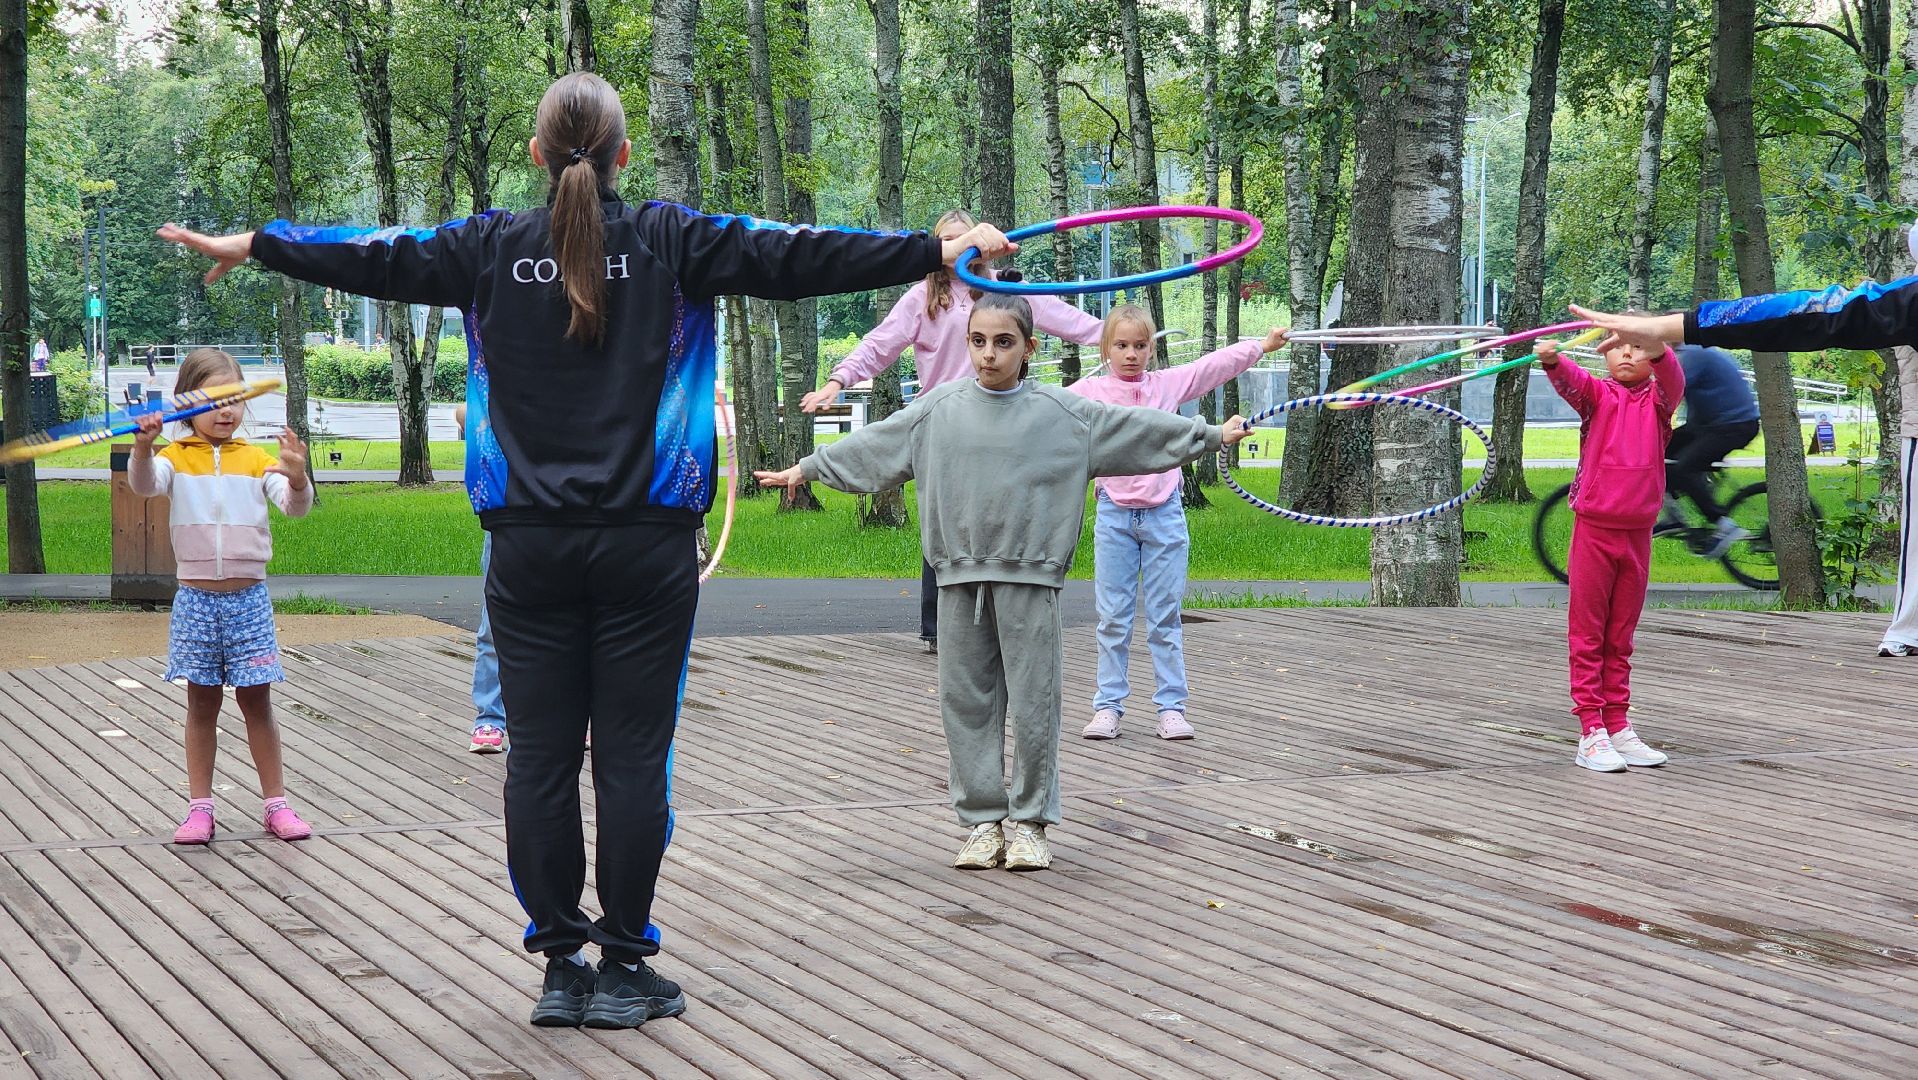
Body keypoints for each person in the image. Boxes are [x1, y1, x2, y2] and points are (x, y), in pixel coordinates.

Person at [159, 71, 1017, 1029]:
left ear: (538, 156)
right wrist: (937, 248)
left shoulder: (488, 247)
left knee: (538, 760)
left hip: (526, 551)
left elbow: (376, 254)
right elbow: (801, 256)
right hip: (646, 550)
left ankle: (563, 968)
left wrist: (255, 243)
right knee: (632, 763)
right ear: (623, 155)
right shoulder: (671, 240)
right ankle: (623, 965)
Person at [757, 293, 1251, 871]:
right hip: (958, 577)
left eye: (1004, 342)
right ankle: (982, 822)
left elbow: (1141, 431)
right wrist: (809, 469)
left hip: (1031, 579)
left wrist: (1211, 435)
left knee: (1035, 704)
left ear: (1029, 347)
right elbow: (876, 446)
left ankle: (1032, 822)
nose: (989, 355)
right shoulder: (937, 409)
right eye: (978, 341)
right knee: (964, 703)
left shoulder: (1066, 415)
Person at [1571, 236, 1918, 657]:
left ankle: (1722, 522)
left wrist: (1668, 328)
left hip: (1733, 424)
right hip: (1717, 421)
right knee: (1674, 454)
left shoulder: (1686, 357)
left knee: (1678, 465)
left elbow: (1818, 313)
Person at [798, 208, 1104, 654]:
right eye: (951, 240)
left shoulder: (1004, 291)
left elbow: (1064, 317)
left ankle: (1008, 617)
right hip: (945, 422)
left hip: (1003, 422)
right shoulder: (923, 297)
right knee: (946, 519)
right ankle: (940, 627)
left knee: (1005, 514)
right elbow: (879, 344)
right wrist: (837, 380)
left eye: (969, 239)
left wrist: (1116, 340)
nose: (961, 248)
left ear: (984, 242)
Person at [1066, 305, 1288, 741]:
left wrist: (1260, 346)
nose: (1131, 354)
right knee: (1113, 618)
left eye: (1140, 345)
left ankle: (1171, 707)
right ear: (1105, 347)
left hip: (1164, 513)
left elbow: (1212, 367)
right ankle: (1108, 706)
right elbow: (1040, 410)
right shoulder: (1088, 392)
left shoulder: (1165, 385)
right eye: (1121, 345)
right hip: (1114, 515)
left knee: (1165, 617)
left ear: (1152, 347)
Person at [127, 348, 315, 842]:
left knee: (258, 703)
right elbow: (145, 486)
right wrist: (143, 448)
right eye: (214, 400)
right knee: (201, 705)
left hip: (249, 600)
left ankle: (276, 805)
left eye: (235, 399)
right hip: (195, 601)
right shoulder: (174, 458)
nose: (227, 410)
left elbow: (294, 509)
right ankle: (200, 809)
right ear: (185, 403)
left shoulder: (255, 459)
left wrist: (297, 476)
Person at [1534, 335, 1682, 772]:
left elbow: (1674, 378)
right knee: (1589, 632)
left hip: (1637, 534)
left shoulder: (1659, 403)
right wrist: (1553, 361)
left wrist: (1659, 346)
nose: (1628, 354)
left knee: (1621, 635)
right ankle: (1590, 731)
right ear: (1604, 354)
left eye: (1639, 348)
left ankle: (1618, 724)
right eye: (1618, 347)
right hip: (1594, 530)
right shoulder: (1598, 396)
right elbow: (1573, 384)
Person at [1661, 345, 1760, 557]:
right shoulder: (1691, 353)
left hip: (1733, 426)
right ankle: (1673, 516)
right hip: (1711, 424)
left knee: (1683, 468)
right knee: (1656, 451)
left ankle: (1724, 524)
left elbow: (1671, 391)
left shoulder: (1692, 355)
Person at [454, 402, 507, 753]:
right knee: (494, 625)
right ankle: (490, 717)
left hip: (564, 522)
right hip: (508, 520)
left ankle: (567, 714)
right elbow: (462, 412)